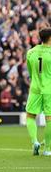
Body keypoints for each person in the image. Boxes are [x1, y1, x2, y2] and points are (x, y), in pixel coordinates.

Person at [25, 28, 51, 156]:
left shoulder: (30, 52)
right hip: (49, 89)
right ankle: (47, 149)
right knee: (49, 119)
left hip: (35, 88)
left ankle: (35, 141)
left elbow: (30, 72)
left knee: (30, 116)